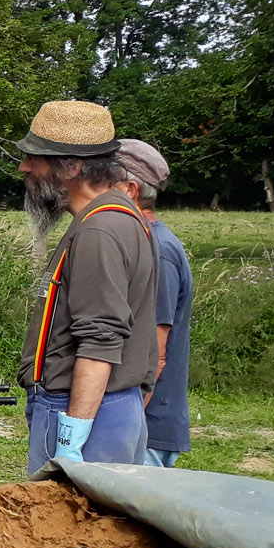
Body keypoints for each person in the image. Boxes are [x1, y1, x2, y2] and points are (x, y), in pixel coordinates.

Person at [16, 101, 159, 473]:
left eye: (35, 158)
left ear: (72, 167)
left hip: (87, 412)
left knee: (64, 530)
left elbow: (100, 339)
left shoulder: (100, 229)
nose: (24, 167)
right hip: (111, 407)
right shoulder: (118, 217)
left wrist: (71, 437)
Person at [115, 138, 192, 467]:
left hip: (148, 426)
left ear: (130, 190)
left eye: (105, 182)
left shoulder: (158, 249)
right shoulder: (144, 241)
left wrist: (124, 425)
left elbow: (156, 353)